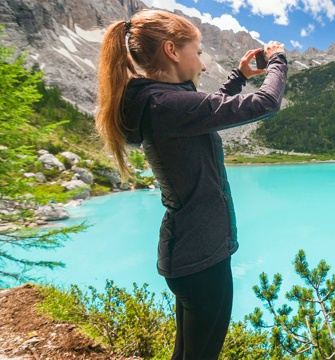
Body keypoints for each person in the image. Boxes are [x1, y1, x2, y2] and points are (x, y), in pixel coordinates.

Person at [95, 9, 287, 359]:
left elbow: (199, 110)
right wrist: (278, 61)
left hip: (187, 253)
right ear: (171, 50)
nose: (201, 64)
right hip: (202, 258)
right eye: (197, 53)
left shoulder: (155, 103)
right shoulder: (166, 105)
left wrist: (240, 76)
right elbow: (267, 102)